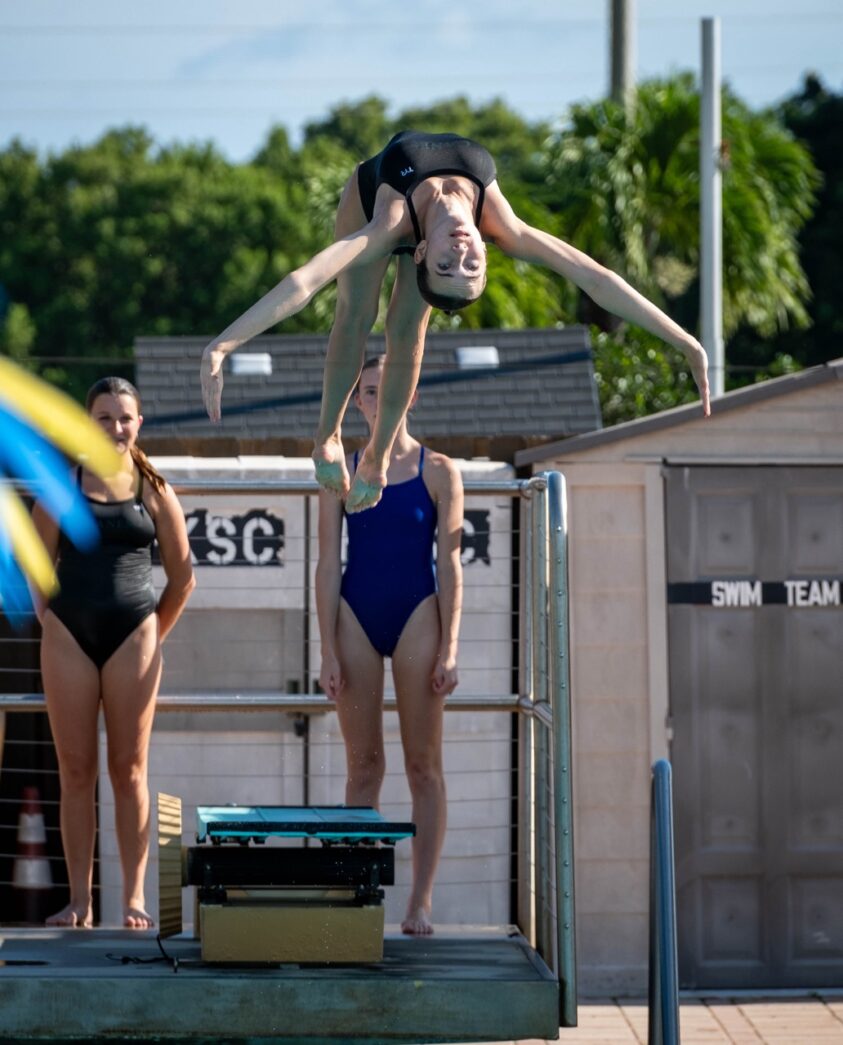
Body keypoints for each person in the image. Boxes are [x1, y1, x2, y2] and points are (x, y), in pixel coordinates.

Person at [201, 130, 711, 512]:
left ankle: (371, 453)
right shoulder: (501, 225)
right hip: (375, 187)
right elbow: (594, 276)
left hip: (372, 200)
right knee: (360, 314)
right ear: (487, 251)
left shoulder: (393, 224)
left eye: (447, 265)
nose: (462, 255)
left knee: (393, 325)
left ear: (421, 251)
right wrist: (687, 341)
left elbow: (305, 278)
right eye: (471, 265)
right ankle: (330, 436)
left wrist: (224, 343)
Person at [31, 377, 195, 929]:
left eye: (125, 417)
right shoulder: (62, 486)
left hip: (134, 635)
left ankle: (132, 899)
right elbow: (36, 560)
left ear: (139, 424)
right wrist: (48, 618)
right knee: (75, 770)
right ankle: (80, 900)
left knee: (129, 770)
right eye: (104, 417)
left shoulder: (153, 488)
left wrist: (152, 632)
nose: (116, 427)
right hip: (69, 636)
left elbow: (183, 576)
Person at [315, 355, 463, 935]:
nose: (380, 400)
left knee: (423, 765)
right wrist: (326, 649)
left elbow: (449, 565)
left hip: (417, 615)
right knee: (363, 767)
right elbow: (328, 563)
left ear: (411, 395)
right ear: (357, 403)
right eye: (370, 392)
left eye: (390, 390)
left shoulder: (439, 471)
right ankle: (358, 894)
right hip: (356, 613)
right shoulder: (340, 471)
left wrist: (450, 647)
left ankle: (418, 902)